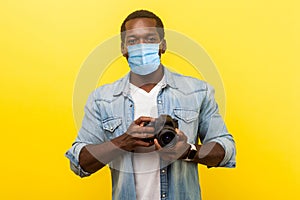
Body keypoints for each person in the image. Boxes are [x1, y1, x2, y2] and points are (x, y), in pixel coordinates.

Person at [65, 9, 236, 200]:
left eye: (149, 39)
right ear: (123, 48)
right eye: (132, 41)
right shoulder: (102, 99)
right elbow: (79, 163)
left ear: (162, 45)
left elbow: (225, 149)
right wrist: (123, 142)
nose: (141, 46)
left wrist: (187, 151)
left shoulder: (197, 92)